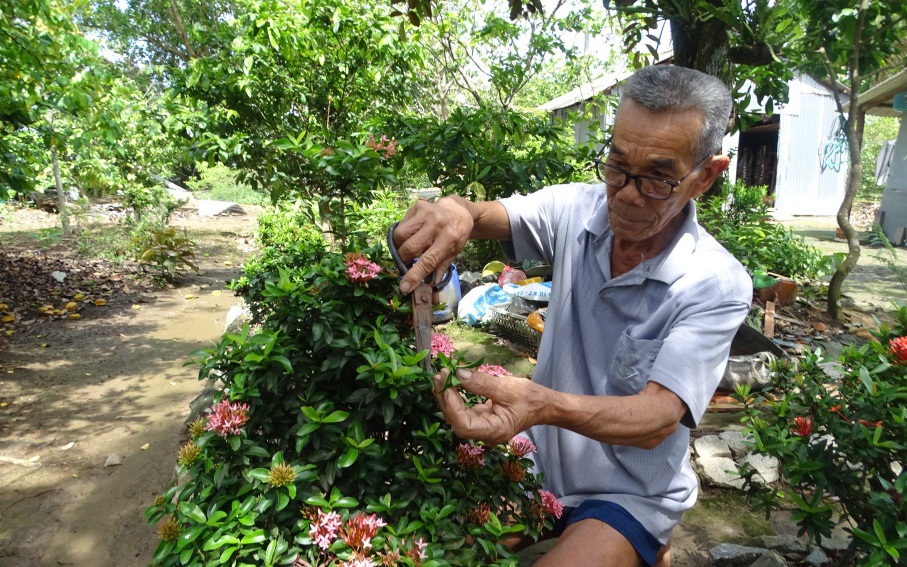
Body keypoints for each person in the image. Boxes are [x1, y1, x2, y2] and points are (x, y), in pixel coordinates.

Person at [392, 65, 752, 567]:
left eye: (658, 178)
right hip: (539, 465)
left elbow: (657, 418)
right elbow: (484, 215)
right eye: (617, 164)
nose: (626, 191)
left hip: (629, 493)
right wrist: (456, 211)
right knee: (434, 549)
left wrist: (540, 404)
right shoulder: (575, 210)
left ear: (705, 177)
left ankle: (641, 541)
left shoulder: (715, 282)